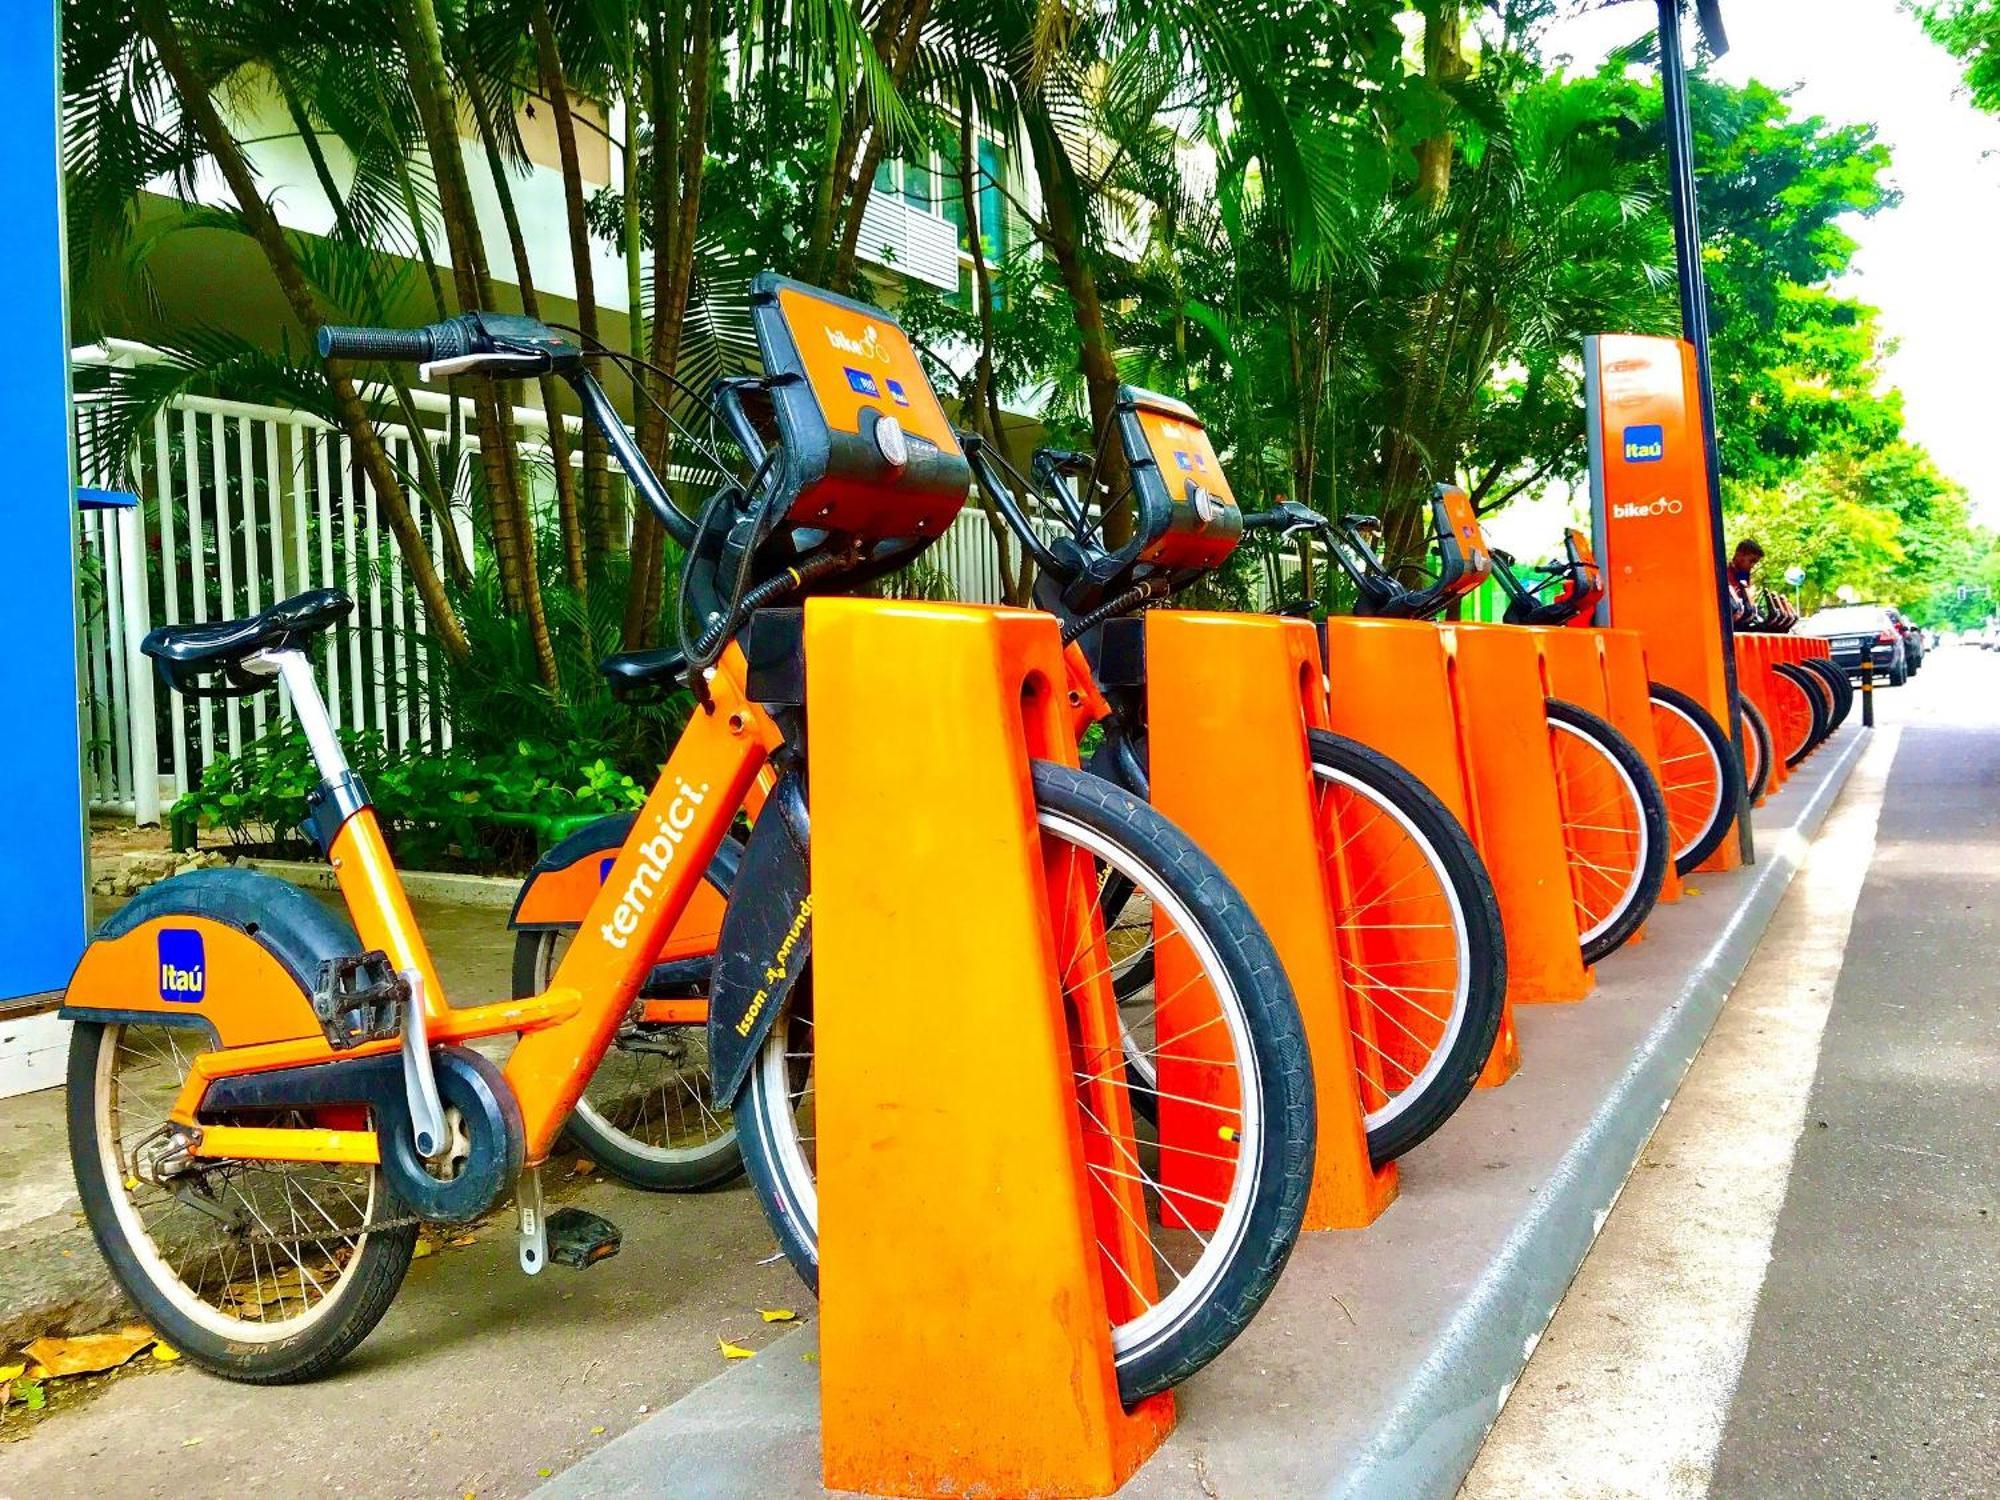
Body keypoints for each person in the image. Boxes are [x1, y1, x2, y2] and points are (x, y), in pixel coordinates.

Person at [1728, 538, 1763, 625]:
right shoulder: (1725, 573)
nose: (1753, 565)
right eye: (1751, 561)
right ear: (1739, 555)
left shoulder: (1743, 575)